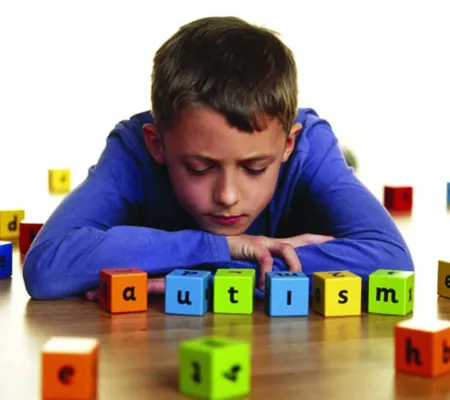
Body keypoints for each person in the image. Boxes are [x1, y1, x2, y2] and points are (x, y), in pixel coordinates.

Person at [22, 16, 414, 301]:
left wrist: (207, 274)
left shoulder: (311, 146)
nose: (227, 195)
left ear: (288, 145)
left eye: (255, 168)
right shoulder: (133, 150)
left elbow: (391, 260)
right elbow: (47, 268)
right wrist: (224, 248)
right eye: (200, 167)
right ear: (157, 144)